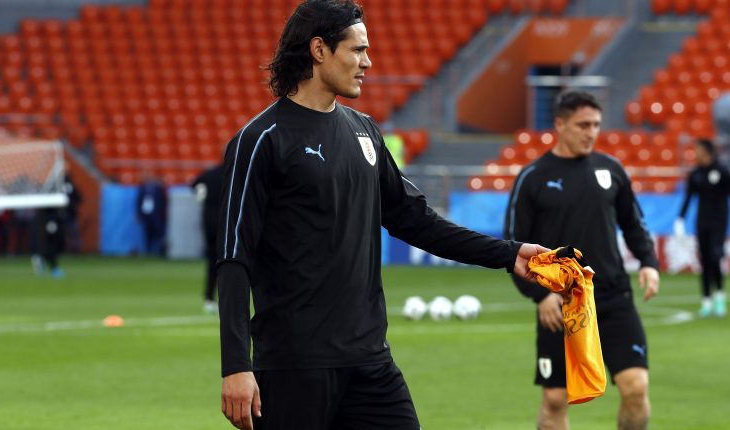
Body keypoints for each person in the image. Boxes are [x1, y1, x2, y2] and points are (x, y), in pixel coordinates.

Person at [216, 2, 548, 429]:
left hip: (370, 361)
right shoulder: (261, 140)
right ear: (319, 50)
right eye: (357, 50)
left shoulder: (365, 131)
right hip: (294, 365)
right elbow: (233, 258)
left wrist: (509, 253)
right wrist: (236, 365)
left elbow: (417, 220)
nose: (368, 62)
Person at [504, 91, 660, 430]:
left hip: (613, 297)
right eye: (583, 125)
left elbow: (634, 223)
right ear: (560, 125)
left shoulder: (611, 169)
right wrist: (540, 295)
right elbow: (512, 246)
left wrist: (648, 261)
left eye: (596, 125)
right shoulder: (533, 177)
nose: (591, 132)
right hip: (562, 301)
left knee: (636, 388)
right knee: (555, 400)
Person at [674, 139, 730, 318]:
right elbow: (688, 197)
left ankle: (719, 297)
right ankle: (706, 301)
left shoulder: (722, 171)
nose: (695, 153)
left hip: (719, 222)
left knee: (715, 257)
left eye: (698, 150)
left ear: (707, 151)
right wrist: (680, 219)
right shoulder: (695, 174)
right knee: (704, 261)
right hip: (702, 222)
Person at [192, 164, 223, 313]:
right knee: (230, 261)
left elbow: (195, 184)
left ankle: (209, 298)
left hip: (208, 222)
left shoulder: (210, 174)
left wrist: (201, 194)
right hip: (225, 223)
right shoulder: (234, 173)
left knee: (212, 261)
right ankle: (227, 298)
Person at [136, 171, 167, 256]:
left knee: (158, 233)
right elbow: (139, 201)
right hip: (146, 214)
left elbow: (162, 202)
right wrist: (139, 213)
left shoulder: (158, 188)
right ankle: (148, 251)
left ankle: (159, 251)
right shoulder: (142, 188)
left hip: (156, 215)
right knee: (147, 233)